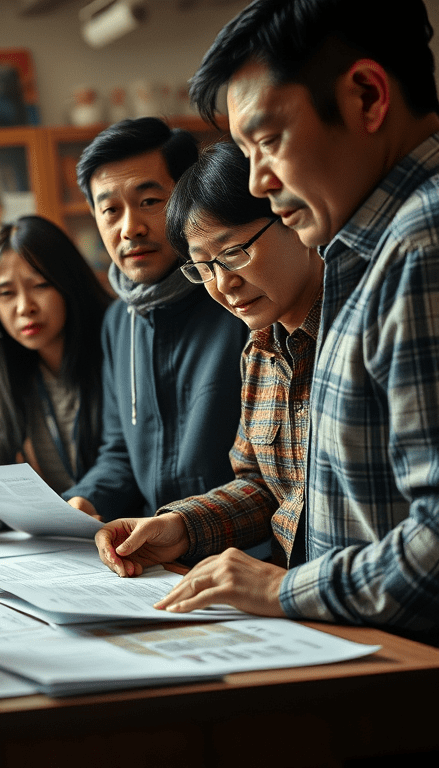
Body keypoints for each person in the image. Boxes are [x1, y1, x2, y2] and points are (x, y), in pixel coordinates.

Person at [138, 0, 439, 643]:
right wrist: (185, 526)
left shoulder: (424, 242)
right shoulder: (362, 253)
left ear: (366, 96)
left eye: (267, 141)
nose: (259, 180)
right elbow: (284, 488)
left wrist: (282, 588)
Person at [96, 140, 323, 580]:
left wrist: (283, 586)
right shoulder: (259, 351)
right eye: (203, 267)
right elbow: (263, 486)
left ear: (295, 219)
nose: (224, 284)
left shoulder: (356, 334)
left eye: (234, 252)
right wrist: (178, 527)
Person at [62, 117, 250, 524]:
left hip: (241, 552)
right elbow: (119, 454)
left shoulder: (240, 299)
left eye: (149, 201)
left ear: (188, 199)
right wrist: (86, 501)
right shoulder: (118, 322)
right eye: (110, 209)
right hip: (157, 553)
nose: (130, 228)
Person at [0, 215, 110, 538]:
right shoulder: (8, 368)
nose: (24, 307)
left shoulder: (114, 348)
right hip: (67, 543)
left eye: (40, 285)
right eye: (6, 293)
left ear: (68, 283)